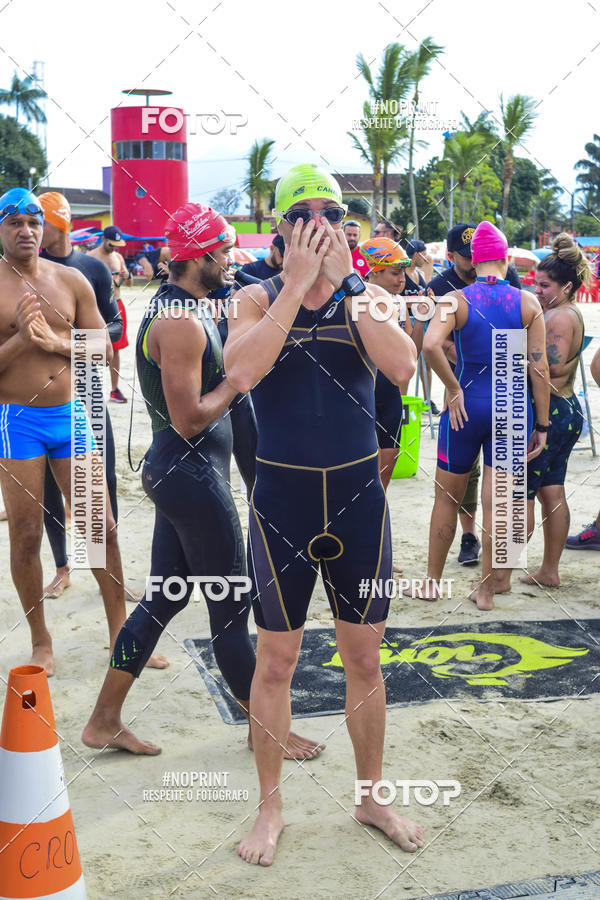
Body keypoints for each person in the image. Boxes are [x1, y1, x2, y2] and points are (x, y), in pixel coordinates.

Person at [225, 164, 421, 865]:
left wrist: (348, 286)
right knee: (276, 660)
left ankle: (371, 797)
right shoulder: (253, 298)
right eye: (302, 214)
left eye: (330, 214)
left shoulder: (369, 297)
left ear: (345, 226)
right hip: (283, 503)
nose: (318, 225)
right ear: (280, 229)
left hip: (358, 503)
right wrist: (295, 286)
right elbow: (240, 373)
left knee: (364, 657)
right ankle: (270, 808)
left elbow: (403, 368)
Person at [82, 203, 319, 760]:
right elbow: (189, 418)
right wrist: (237, 381)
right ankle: (266, 730)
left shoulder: (191, 307)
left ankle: (104, 719)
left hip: (182, 475)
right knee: (231, 609)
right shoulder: (180, 323)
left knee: (161, 600)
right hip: (189, 477)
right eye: (225, 251)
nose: (232, 259)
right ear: (200, 256)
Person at [0, 187, 157, 677]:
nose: (26, 231)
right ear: (1, 229)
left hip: (71, 416)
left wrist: (54, 340)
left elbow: (104, 352)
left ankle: (120, 636)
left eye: (33, 222)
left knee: (98, 528)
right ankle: (41, 641)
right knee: (26, 535)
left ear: (45, 227)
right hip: (17, 421)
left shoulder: (70, 279)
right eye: (14, 222)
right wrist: (20, 340)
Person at [418, 220, 550, 608]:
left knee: (447, 498)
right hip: (511, 407)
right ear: (506, 260)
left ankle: (432, 583)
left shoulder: (456, 300)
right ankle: (487, 590)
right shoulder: (527, 302)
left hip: (466, 406)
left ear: (473, 262)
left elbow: (430, 345)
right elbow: (538, 368)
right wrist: (542, 424)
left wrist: (453, 388)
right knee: (501, 503)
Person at [38, 192, 123, 598]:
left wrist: (67, 341)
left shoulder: (92, 268)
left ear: (60, 224)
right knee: (47, 484)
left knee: (104, 475)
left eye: (40, 221)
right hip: (41, 387)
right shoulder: (27, 269)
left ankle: (107, 567)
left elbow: (115, 327)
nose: (32, 230)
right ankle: (62, 567)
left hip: (86, 383)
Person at [508, 234, 590, 587]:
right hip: (566, 409)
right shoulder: (566, 311)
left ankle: (502, 575)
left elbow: (550, 368)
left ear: (566, 287)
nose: (536, 291)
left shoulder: (558, 317)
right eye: (535, 283)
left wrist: (513, 353)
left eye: (544, 286)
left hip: (551, 411)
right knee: (552, 491)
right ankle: (549, 571)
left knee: (523, 494)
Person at [359, 237, 420, 490]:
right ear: (375, 272)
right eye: (395, 273)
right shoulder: (354, 299)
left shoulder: (399, 302)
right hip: (361, 391)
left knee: (384, 476)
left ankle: (378, 507)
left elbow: (411, 352)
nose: (402, 279)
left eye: (403, 273)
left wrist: (421, 319)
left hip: (390, 392)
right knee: (360, 473)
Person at [89, 225, 132, 403]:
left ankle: (114, 389)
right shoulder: (91, 257)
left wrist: (126, 276)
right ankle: (90, 390)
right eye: (111, 244)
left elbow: (128, 284)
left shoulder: (118, 257)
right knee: (90, 348)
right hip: (96, 307)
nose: (114, 247)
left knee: (115, 349)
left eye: (117, 245)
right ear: (103, 239)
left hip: (117, 304)